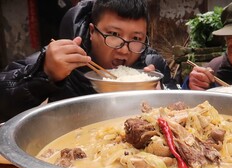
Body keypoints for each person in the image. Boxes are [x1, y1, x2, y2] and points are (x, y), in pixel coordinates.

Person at [0, 0, 173, 122]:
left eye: (136, 37)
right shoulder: (58, 60)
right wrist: (45, 74)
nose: (124, 49)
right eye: (113, 35)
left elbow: (182, 107)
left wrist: (161, 99)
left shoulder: (153, 66)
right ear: (92, 31)